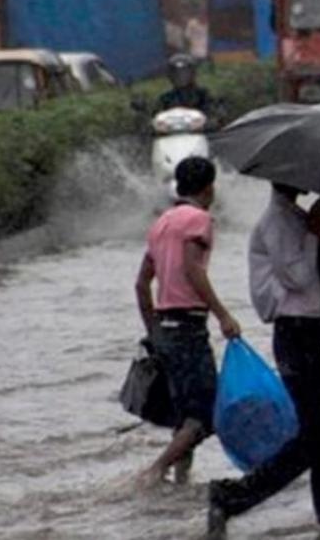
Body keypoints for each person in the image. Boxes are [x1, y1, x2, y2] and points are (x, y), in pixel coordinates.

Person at [207, 184, 320, 537]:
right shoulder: (277, 222)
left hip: (307, 335)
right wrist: (313, 236)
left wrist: (315, 233)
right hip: (295, 335)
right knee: (315, 437)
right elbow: (298, 277)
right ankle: (232, 496)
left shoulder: (293, 218)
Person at [134, 156, 242, 487]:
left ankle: (182, 484)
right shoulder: (199, 220)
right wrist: (223, 314)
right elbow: (194, 269)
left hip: (165, 328)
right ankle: (156, 471)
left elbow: (141, 284)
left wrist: (153, 330)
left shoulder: (161, 223)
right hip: (188, 327)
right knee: (206, 414)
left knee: (186, 417)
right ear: (209, 187)